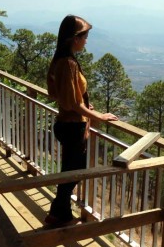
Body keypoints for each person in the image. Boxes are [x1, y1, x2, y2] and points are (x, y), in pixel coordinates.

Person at [45, 15, 118, 228]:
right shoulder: (68, 63)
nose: (86, 41)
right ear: (74, 38)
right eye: (85, 36)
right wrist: (100, 117)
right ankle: (57, 215)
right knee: (74, 173)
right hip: (72, 126)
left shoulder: (60, 60)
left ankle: (60, 215)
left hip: (66, 124)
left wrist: (85, 108)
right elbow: (74, 104)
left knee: (70, 172)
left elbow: (56, 93)